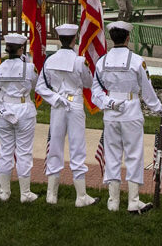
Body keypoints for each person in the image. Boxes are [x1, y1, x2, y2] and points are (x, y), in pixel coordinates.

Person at [90, 20, 162, 213]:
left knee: (112, 155)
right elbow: (147, 91)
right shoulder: (136, 61)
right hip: (131, 112)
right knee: (134, 155)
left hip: (111, 113)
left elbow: (95, 91)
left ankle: (113, 201)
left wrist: (108, 103)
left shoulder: (102, 61)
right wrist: (161, 110)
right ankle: (133, 201)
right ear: (128, 38)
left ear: (111, 38)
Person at [35, 24, 97, 207]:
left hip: (58, 106)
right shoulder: (79, 61)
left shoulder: (50, 60)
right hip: (74, 104)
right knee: (78, 147)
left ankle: (51, 195)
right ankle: (81, 196)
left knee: (55, 146)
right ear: (74, 38)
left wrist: (55, 97)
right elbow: (88, 83)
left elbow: (40, 86)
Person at [0, 33, 38, 203]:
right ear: (21, 49)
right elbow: (34, 85)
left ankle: (4, 192)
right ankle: (25, 193)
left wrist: (2, 112)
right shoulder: (29, 68)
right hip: (24, 108)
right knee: (24, 152)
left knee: (5, 151)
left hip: (4, 109)